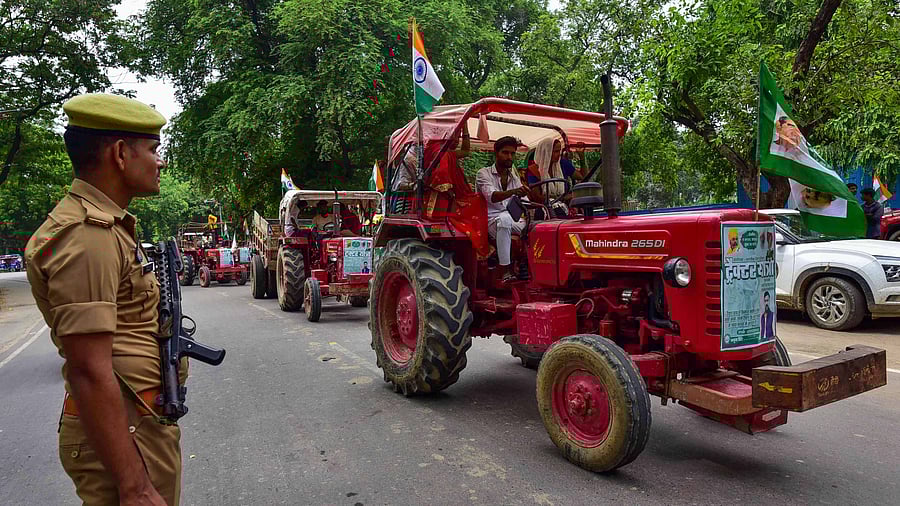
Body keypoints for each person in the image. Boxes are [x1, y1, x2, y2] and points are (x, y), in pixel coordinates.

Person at [24, 94, 181, 505]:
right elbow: (89, 370)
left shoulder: (107, 228)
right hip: (126, 436)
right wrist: (135, 487)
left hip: (137, 425)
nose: (160, 161)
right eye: (153, 149)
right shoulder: (88, 236)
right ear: (120, 154)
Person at [476, 136, 541, 282]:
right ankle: (505, 269)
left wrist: (537, 205)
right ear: (496, 153)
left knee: (540, 227)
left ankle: (531, 267)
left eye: (512, 153)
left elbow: (524, 201)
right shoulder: (483, 173)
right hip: (490, 220)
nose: (509, 157)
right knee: (504, 220)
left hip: (513, 219)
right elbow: (491, 196)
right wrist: (514, 192)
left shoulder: (514, 176)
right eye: (505, 153)